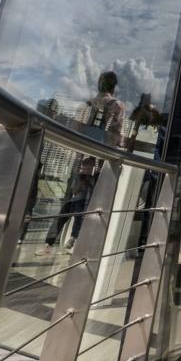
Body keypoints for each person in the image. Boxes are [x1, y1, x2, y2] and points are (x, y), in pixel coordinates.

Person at [35, 71, 123, 256]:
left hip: (79, 160)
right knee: (87, 204)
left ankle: (50, 243)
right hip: (99, 162)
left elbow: (76, 129)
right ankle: (75, 240)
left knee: (69, 202)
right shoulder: (117, 107)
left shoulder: (87, 104)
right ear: (114, 87)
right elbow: (115, 136)